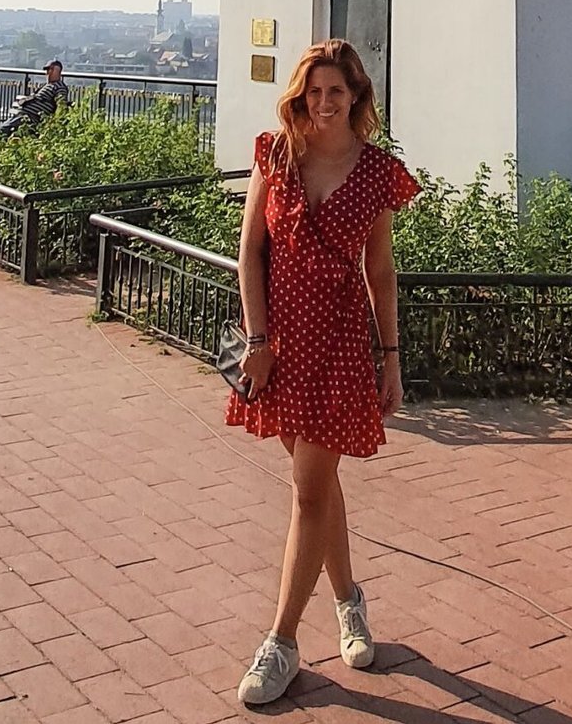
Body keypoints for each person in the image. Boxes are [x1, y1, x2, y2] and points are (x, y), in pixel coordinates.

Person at [227, 39, 419, 708]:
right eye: (314, 91)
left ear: (357, 96)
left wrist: (390, 356)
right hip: (278, 346)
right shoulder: (274, 153)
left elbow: (382, 272)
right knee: (320, 482)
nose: (324, 102)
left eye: (336, 90)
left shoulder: (376, 172)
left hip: (337, 348)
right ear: (300, 95)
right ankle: (349, 602)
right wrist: (256, 338)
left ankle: (281, 642)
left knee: (308, 491)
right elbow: (250, 251)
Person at [0, 60, 74, 138]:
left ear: (58, 72)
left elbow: (61, 103)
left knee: (1, 132)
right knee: (1, 131)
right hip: (23, 114)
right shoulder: (46, 86)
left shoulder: (59, 87)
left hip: (31, 117)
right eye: (47, 70)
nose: (48, 72)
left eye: (52, 69)